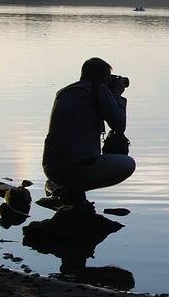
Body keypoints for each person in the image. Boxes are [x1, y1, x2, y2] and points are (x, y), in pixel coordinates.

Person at [42, 57, 135, 204]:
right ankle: (72, 189)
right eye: (108, 77)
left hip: (52, 169)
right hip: (76, 169)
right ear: (100, 77)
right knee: (128, 164)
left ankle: (66, 188)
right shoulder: (98, 89)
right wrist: (117, 95)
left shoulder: (64, 92)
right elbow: (119, 126)